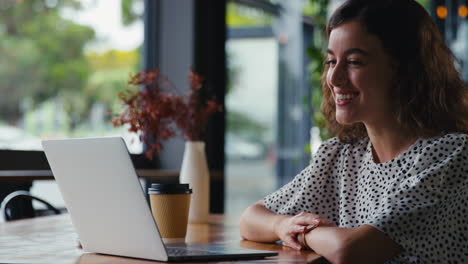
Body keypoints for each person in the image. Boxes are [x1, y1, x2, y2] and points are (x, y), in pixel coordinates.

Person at [239, 0, 468, 263]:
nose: (334, 78)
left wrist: (301, 232)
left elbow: (349, 250)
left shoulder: (450, 155)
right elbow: (251, 219)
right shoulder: (342, 155)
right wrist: (282, 226)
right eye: (331, 61)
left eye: (354, 62)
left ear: (405, 70)